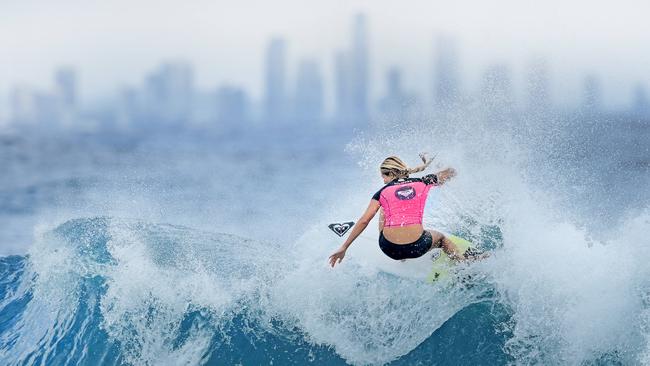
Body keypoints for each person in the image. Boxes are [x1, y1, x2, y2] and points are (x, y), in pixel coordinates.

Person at [328, 154, 462, 268]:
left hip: (390, 249)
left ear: (391, 174)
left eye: (384, 176)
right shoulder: (424, 182)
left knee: (385, 207)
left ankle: (403, 257)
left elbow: (364, 221)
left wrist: (344, 247)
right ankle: (463, 263)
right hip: (418, 247)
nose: (383, 180)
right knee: (442, 238)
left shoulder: (381, 193)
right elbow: (451, 172)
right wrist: (438, 166)